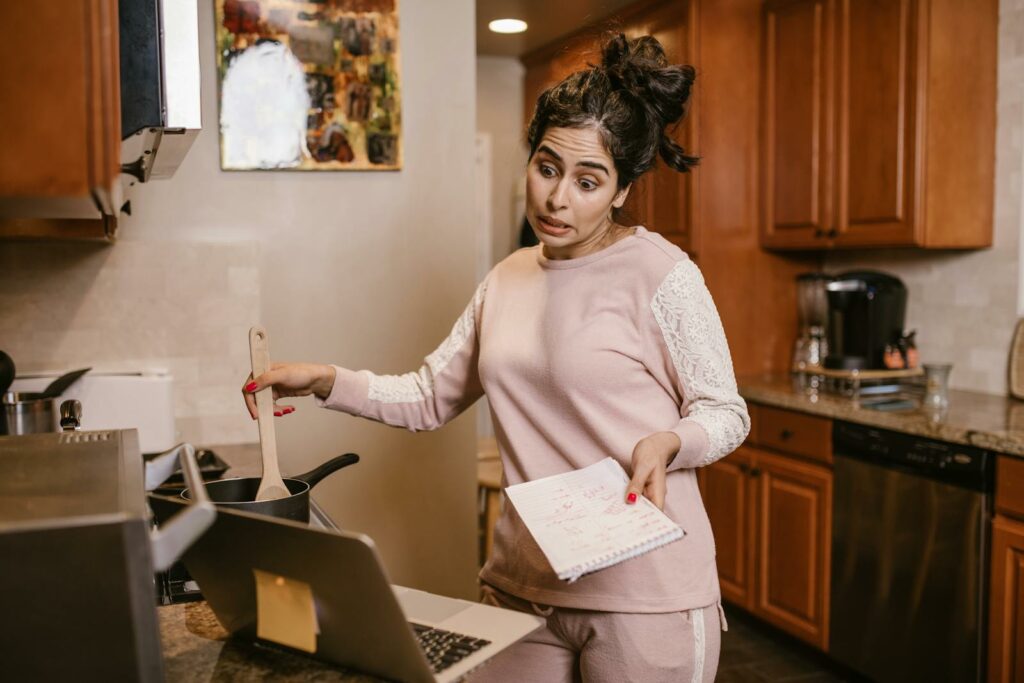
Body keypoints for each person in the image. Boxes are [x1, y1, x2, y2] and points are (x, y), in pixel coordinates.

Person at [242, 32, 750, 683]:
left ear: (622, 189)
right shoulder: (507, 278)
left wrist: (669, 442)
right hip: (523, 585)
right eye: (546, 167)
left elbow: (724, 410)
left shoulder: (662, 274)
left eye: (588, 180)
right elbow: (430, 395)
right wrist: (325, 380)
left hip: (645, 595)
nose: (557, 197)